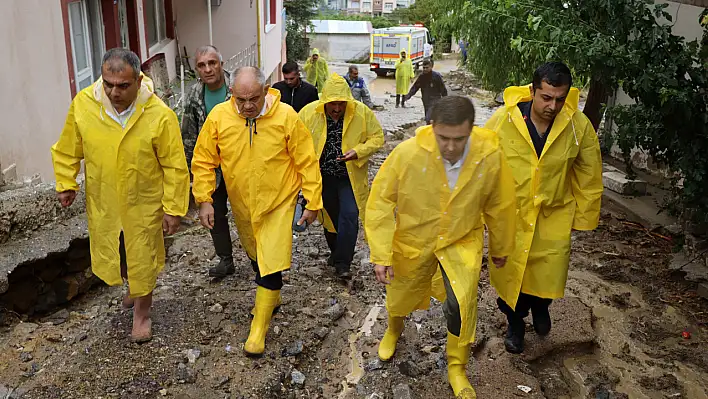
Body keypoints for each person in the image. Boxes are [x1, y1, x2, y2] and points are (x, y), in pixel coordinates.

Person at [366, 96, 516, 399]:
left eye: (458, 139)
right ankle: (394, 329)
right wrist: (381, 253)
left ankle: (457, 367)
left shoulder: (489, 157)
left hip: (461, 239)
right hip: (414, 237)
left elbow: (500, 205)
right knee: (401, 292)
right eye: (443, 138)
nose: (450, 147)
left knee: (461, 303)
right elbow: (381, 201)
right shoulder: (408, 154)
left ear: (471, 130)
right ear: (431, 126)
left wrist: (500, 246)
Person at [51, 48, 190, 343]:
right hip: (106, 199)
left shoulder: (158, 115)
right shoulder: (84, 106)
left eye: (123, 85)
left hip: (144, 201)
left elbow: (175, 166)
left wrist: (173, 208)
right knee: (119, 251)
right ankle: (132, 285)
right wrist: (66, 182)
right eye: (108, 84)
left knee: (143, 255)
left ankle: (142, 313)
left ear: (139, 81)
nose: (114, 92)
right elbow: (67, 147)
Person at [191, 66, 323, 356]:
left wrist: (312, 200)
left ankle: (258, 328)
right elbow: (203, 160)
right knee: (255, 253)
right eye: (241, 100)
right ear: (232, 95)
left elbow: (306, 160)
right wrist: (204, 199)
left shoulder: (286, 116)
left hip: (278, 201)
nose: (248, 106)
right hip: (242, 203)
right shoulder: (219, 118)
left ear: (266, 91)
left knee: (271, 260)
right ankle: (271, 298)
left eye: (254, 98)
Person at [484, 62, 603, 354]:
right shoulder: (503, 121)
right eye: (546, 97)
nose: (553, 106)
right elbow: (481, 167)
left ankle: (541, 306)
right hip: (512, 215)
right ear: (533, 91)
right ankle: (515, 323)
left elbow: (589, 173)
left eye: (560, 99)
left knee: (548, 272)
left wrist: (584, 217)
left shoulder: (577, 125)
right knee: (512, 276)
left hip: (554, 214)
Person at [299, 74, 384, 278]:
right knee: (329, 218)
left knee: (349, 215)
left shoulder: (361, 113)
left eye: (341, 104)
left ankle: (343, 263)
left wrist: (358, 151)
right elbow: (295, 141)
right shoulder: (309, 114)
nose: (337, 108)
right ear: (324, 102)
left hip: (349, 177)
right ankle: (336, 254)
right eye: (332, 104)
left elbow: (378, 138)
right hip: (321, 177)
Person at [181, 45, 235, 279]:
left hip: (241, 162)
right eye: (202, 65)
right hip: (212, 167)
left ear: (221, 64)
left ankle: (260, 259)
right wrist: (191, 173)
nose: (208, 69)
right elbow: (188, 133)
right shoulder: (194, 95)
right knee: (216, 213)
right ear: (196, 70)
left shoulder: (237, 87)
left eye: (212, 63)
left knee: (251, 212)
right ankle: (225, 259)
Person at [403, 58, 448, 124]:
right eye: (423, 68)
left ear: (431, 67)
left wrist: (445, 100)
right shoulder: (422, 77)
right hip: (426, 100)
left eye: (427, 68)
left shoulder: (436, 76)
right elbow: (415, 87)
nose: (425, 69)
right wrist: (408, 95)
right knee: (429, 118)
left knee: (428, 118)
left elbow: (443, 89)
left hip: (435, 99)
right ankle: (429, 132)